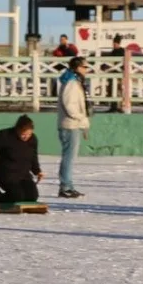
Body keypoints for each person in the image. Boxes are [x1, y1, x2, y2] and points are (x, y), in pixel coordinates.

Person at [0, 115, 43, 206]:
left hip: (24, 175)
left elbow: (33, 157)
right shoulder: (5, 136)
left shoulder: (33, 139)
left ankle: (9, 196)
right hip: (6, 175)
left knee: (32, 197)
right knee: (18, 196)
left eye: (29, 134)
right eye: (23, 134)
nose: (26, 137)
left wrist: (37, 171)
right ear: (17, 130)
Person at [56, 56, 89, 198]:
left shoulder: (75, 82)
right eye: (84, 67)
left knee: (70, 156)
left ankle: (68, 185)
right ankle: (65, 186)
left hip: (73, 124)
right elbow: (69, 104)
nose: (86, 70)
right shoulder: (71, 83)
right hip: (70, 124)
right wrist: (80, 117)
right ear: (77, 68)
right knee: (68, 157)